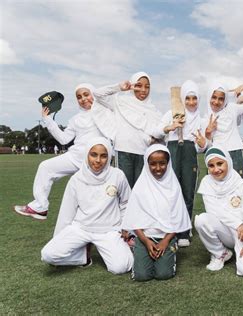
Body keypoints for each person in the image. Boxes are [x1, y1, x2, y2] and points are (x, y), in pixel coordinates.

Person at [14, 83, 113, 220]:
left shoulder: (106, 112)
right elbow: (64, 139)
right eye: (79, 97)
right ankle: (40, 207)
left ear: (94, 93)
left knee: (94, 198)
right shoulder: (75, 119)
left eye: (86, 94)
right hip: (76, 157)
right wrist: (48, 119)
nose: (83, 99)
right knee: (45, 167)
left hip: (98, 161)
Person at [40, 137, 133, 274]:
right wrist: (59, 240)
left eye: (103, 156)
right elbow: (67, 213)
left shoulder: (117, 175)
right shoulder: (76, 179)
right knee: (48, 254)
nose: (98, 160)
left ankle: (118, 249)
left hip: (109, 230)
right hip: (81, 228)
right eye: (93, 154)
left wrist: (126, 228)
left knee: (120, 267)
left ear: (109, 157)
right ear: (87, 155)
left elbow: (126, 203)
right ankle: (83, 257)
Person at [122, 144, 192, 281]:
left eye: (162, 163)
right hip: (144, 238)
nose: (158, 168)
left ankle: (171, 249)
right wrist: (146, 241)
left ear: (168, 163)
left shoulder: (174, 187)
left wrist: (165, 241)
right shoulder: (140, 187)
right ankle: (138, 250)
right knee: (141, 276)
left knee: (163, 274)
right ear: (146, 164)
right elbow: (134, 219)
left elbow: (178, 219)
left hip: (166, 237)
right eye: (153, 164)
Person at [195, 146, 243, 277]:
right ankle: (221, 254)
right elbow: (213, 210)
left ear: (228, 162)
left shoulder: (241, 184)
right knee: (201, 220)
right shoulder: (207, 182)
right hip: (226, 229)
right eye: (211, 165)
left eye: (220, 163)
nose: (216, 169)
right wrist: (237, 223)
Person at [157, 80, 208, 248]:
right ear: (182, 99)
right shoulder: (172, 113)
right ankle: (170, 229)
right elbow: (156, 130)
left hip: (189, 154)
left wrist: (202, 144)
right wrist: (170, 127)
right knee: (171, 192)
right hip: (172, 151)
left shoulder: (200, 120)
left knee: (187, 192)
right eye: (188, 98)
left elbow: (201, 148)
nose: (191, 102)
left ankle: (184, 231)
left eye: (194, 98)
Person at [93, 71, 163, 188]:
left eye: (147, 87)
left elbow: (159, 131)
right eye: (139, 85)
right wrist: (119, 87)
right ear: (133, 85)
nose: (143, 90)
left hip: (144, 154)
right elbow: (97, 94)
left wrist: (153, 139)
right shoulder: (120, 102)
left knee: (140, 190)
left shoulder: (153, 110)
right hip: (124, 151)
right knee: (124, 189)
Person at [204, 81, 243, 178]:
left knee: (239, 187)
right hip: (217, 154)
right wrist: (208, 132)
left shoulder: (232, 108)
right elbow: (206, 144)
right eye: (214, 97)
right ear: (209, 97)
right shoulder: (206, 117)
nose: (216, 102)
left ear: (225, 100)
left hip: (236, 152)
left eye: (221, 99)